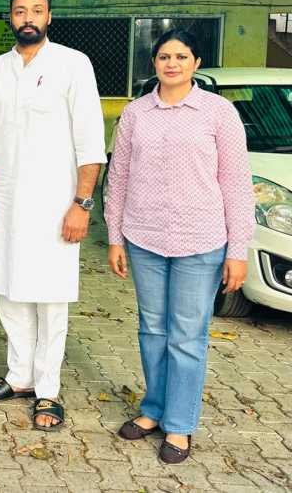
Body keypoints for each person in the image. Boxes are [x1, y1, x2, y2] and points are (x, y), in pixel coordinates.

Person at [105, 29, 254, 464]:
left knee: (187, 336)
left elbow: (236, 183)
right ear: (154, 63)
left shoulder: (218, 113)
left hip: (201, 240)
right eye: (164, 56)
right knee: (153, 330)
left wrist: (238, 250)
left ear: (196, 63)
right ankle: (154, 409)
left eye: (181, 56)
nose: (172, 64)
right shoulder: (135, 114)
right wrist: (114, 237)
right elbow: (119, 178)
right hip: (144, 238)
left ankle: (180, 424)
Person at [0, 0, 106, 431]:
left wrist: (82, 203)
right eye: (19, 11)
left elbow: (91, 142)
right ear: (10, 17)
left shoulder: (73, 63)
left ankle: (48, 389)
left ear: (49, 16)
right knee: (10, 290)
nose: (27, 18)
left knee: (50, 298)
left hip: (55, 202)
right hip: (7, 198)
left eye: (36, 10)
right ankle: (19, 376)